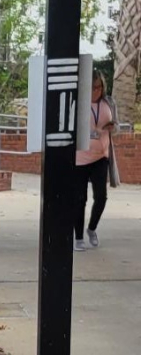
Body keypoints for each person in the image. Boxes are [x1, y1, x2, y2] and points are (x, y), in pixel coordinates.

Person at [74, 70, 113, 251]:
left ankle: (91, 228)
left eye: (99, 87)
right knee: (79, 199)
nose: (96, 91)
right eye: (92, 87)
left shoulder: (108, 103)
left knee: (101, 197)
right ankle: (78, 237)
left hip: (100, 156)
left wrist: (111, 127)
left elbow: (118, 125)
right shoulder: (79, 104)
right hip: (81, 157)